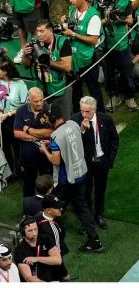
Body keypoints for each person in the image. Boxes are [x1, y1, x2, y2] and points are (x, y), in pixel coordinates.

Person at [40, 104, 103, 252]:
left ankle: (52, 238)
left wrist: (45, 150)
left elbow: (55, 161)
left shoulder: (55, 136)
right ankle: (94, 239)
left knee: (54, 207)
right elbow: (76, 136)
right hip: (81, 174)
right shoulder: (73, 124)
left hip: (66, 179)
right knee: (82, 207)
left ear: (52, 118)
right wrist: (53, 145)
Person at [71, 96, 118, 229]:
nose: (84, 115)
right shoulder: (75, 120)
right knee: (85, 191)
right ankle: (87, 218)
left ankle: (99, 215)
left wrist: (110, 160)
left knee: (100, 190)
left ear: (95, 109)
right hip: (85, 164)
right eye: (82, 111)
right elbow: (73, 143)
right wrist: (82, 130)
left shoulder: (106, 119)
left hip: (102, 162)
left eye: (88, 112)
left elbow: (115, 139)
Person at [62, 0, 104, 111]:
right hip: (74, 59)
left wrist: (73, 34)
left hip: (87, 59)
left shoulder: (93, 16)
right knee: (76, 90)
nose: (71, 1)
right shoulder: (72, 11)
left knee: (93, 89)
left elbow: (93, 40)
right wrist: (64, 23)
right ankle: (77, 115)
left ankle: (101, 114)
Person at [23, 19, 74, 119]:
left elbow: (67, 67)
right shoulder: (35, 44)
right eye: (37, 31)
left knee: (64, 118)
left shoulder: (63, 42)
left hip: (61, 87)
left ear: (50, 30)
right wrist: (25, 55)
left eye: (42, 31)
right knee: (46, 119)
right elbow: (26, 65)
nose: (38, 34)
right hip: (42, 87)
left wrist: (47, 61)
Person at [12, 88, 54, 197]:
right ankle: (28, 211)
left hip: (45, 156)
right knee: (28, 184)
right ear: (29, 99)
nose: (40, 103)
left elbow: (49, 133)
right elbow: (17, 133)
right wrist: (36, 138)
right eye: (36, 101)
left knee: (47, 184)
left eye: (41, 100)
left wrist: (28, 130)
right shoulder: (21, 110)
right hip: (27, 156)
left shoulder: (48, 110)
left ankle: (48, 208)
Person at [14, 217, 62, 282]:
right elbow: (29, 278)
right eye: (30, 231)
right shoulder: (19, 250)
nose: (34, 233)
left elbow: (58, 260)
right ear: (23, 232)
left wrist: (37, 258)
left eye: (35, 229)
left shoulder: (45, 239)